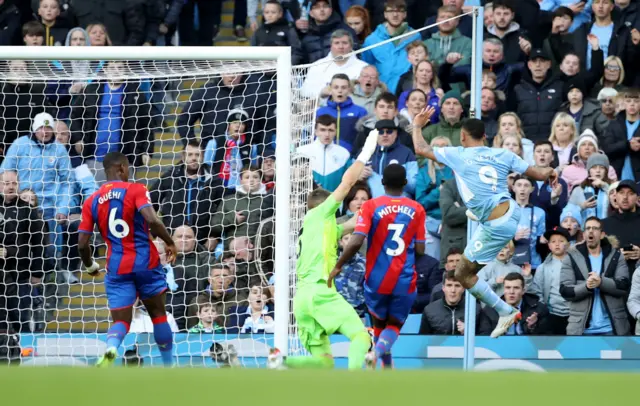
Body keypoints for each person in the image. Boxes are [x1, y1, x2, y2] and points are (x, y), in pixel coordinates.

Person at [411, 109, 558, 337]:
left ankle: (504, 311)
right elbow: (538, 174)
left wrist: (417, 125)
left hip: (496, 226)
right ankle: (476, 212)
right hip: (511, 211)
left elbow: (421, 148)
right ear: (485, 137)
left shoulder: (458, 154)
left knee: (462, 274)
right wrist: (551, 171)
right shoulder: (502, 154)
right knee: (473, 195)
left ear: (462, 136)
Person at [267, 128, 380, 370]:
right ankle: (354, 383)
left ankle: (281, 361)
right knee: (362, 337)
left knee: (323, 364)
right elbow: (348, 182)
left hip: (302, 299)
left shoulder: (321, 229)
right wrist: (366, 153)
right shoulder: (320, 212)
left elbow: (354, 222)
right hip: (320, 293)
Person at [77, 152, 178, 367]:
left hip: (117, 267)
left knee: (121, 321)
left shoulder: (92, 201)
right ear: (122, 168)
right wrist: (169, 241)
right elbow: (153, 220)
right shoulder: (136, 189)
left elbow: (82, 244)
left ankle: (111, 350)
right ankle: (169, 366)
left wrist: (89, 265)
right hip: (146, 263)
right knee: (158, 315)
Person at [330, 164, 426, 368]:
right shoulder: (417, 209)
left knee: (379, 323)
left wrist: (339, 265)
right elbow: (420, 250)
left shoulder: (371, 206)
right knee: (395, 325)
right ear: (406, 183)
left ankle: (384, 363)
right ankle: (379, 354)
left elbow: (356, 240)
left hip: (376, 277)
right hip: (403, 277)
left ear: (382, 183)